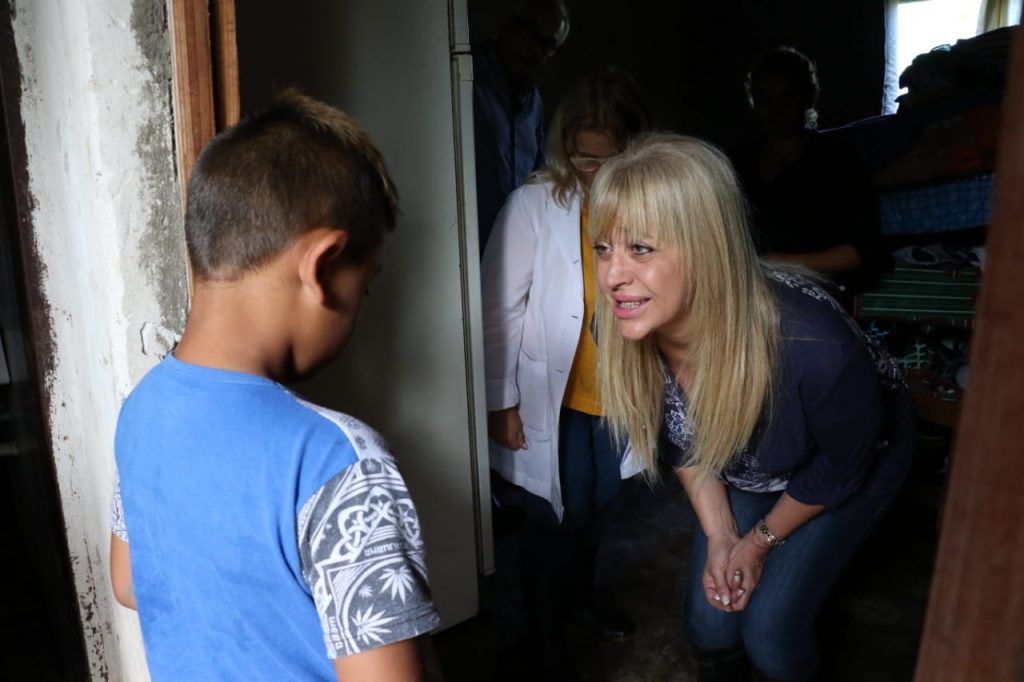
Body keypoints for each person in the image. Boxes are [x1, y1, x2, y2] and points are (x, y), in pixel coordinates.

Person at [108, 92, 443, 682]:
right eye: (365, 287)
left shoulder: (141, 408)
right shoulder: (339, 462)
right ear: (322, 266)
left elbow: (128, 582)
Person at [589, 134, 915, 682]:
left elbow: (841, 466)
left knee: (771, 633)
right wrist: (722, 536)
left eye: (640, 249)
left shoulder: (815, 348)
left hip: (851, 459)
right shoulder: (624, 326)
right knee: (711, 622)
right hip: (754, 460)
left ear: (707, 248)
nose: (612, 276)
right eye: (603, 248)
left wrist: (759, 544)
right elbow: (681, 441)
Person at [481, 67, 650, 679]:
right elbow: (499, 308)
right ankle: (543, 638)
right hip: (554, 392)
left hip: (616, 387)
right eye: (583, 158)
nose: (595, 173)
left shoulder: (642, 204)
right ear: (563, 147)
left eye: (609, 159)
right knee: (554, 515)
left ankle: (579, 604)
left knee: (600, 504)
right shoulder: (533, 204)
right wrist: (500, 402)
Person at [730, 47, 881, 294]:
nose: (776, 110)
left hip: (815, 292)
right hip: (749, 291)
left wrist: (780, 264)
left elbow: (861, 251)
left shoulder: (837, 162)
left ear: (809, 97)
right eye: (765, 100)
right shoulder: (738, 163)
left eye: (786, 98)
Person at [473, 0, 570, 254]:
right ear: (508, 23)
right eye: (530, 31)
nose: (534, 48)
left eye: (546, 44)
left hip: (514, 247)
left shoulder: (533, 102)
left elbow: (537, 177)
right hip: (466, 244)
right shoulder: (467, 77)